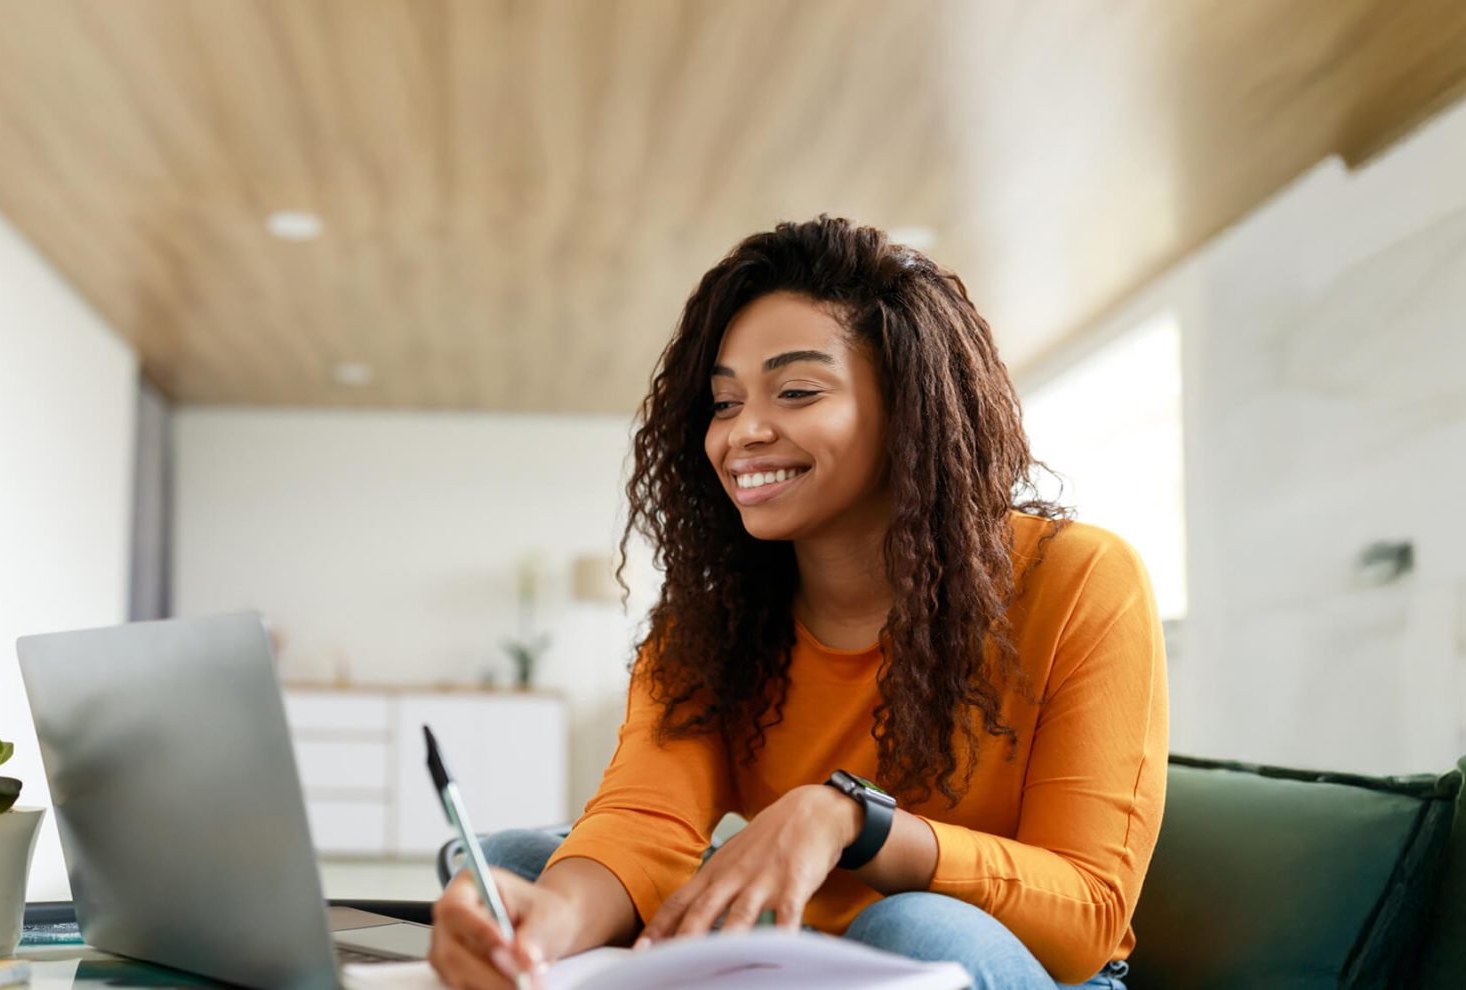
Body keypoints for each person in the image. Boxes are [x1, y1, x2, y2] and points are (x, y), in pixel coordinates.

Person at [429, 217, 1168, 990]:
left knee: (911, 927)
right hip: (797, 950)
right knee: (519, 867)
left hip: (1006, 963)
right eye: (723, 402)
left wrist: (855, 822)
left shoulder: (1082, 578)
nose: (743, 432)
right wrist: (544, 928)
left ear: (909, 409)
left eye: (797, 391)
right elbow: (644, 824)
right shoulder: (713, 624)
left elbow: (1089, 914)